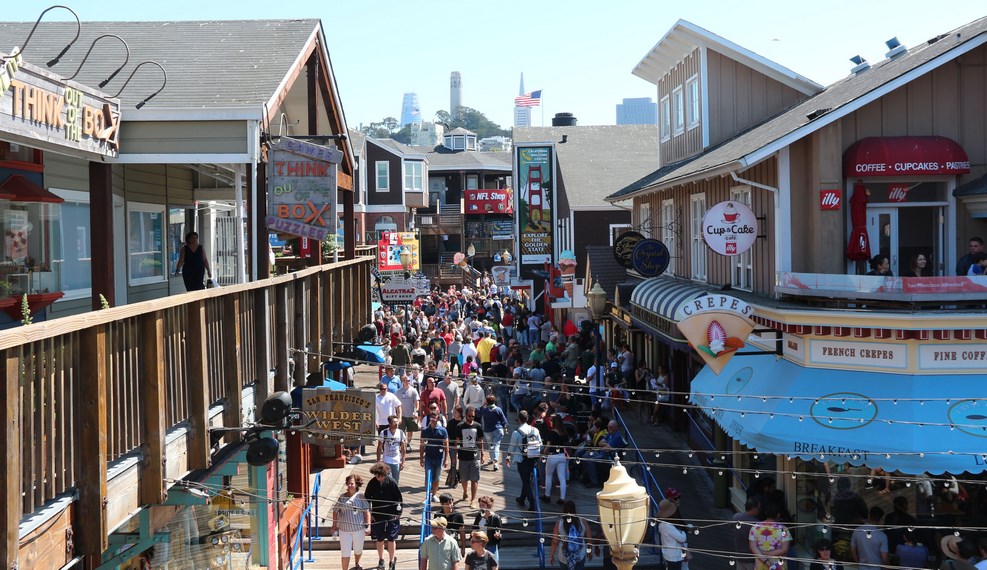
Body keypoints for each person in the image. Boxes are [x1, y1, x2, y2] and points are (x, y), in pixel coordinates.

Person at [364, 462, 403, 570]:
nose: (379, 478)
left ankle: (391, 561)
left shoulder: (392, 482)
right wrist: (370, 513)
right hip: (377, 515)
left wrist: (398, 514)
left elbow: (399, 499)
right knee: (379, 538)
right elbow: (367, 498)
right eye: (377, 476)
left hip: (391, 514)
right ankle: (381, 559)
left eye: (381, 476)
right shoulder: (372, 483)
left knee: (391, 538)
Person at [332, 474, 372, 570]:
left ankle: (357, 562)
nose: (350, 485)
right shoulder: (342, 497)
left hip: (358, 529)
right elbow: (335, 511)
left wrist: (368, 526)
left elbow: (367, 512)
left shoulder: (361, 496)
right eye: (348, 483)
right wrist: (334, 526)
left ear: (356, 484)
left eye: (352, 483)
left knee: (358, 549)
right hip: (344, 530)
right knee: (345, 552)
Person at [505, 409, 543, 510]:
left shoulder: (516, 433)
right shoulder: (535, 430)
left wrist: (508, 458)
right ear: (528, 418)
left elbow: (512, 447)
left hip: (522, 460)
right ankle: (522, 498)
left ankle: (532, 502)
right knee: (526, 480)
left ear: (519, 419)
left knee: (525, 481)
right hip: (533, 459)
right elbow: (541, 444)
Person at [452, 406, 484, 508]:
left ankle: (473, 499)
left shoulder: (478, 426)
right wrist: (454, 455)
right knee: (464, 479)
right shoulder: (459, 426)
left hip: (475, 456)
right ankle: (465, 491)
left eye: (473, 416)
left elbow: (480, 441)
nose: (471, 418)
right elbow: (457, 442)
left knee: (475, 479)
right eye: (469, 416)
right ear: (466, 415)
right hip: (463, 456)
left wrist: (482, 454)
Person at [549, 500, 593, 570]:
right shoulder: (582, 521)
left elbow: (554, 542)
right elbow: (589, 537)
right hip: (580, 554)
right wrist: (589, 551)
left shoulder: (559, 523)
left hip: (564, 557)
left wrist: (552, 555)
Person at [748, 502, 791, 570]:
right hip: (778, 566)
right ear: (778, 515)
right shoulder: (783, 529)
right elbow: (784, 550)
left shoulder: (755, 527)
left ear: (766, 513)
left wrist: (765, 560)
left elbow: (753, 548)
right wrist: (767, 553)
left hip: (761, 566)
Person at [420, 410, 450, 503]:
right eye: (431, 417)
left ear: (438, 419)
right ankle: (427, 496)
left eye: (435, 417)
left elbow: (446, 445)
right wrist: (421, 458)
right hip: (428, 457)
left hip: (439, 458)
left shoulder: (443, 430)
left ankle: (434, 494)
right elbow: (422, 445)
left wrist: (446, 459)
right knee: (428, 477)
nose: (433, 419)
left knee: (436, 478)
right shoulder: (425, 430)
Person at [543, 414, 570, 505]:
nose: (549, 421)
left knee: (548, 476)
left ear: (554, 422)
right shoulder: (564, 432)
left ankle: (547, 495)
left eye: (551, 420)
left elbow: (548, 446)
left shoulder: (552, 433)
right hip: (562, 456)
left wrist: (543, 453)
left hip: (552, 456)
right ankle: (562, 498)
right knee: (562, 478)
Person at [476, 394, 509, 471]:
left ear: (487, 402)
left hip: (488, 431)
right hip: (498, 430)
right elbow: (503, 420)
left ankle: (492, 459)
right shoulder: (498, 409)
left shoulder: (484, 410)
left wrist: (483, 405)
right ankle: (495, 462)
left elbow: (477, 413)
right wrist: (505, 428)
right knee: (496, 445)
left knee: (490, 445)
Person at [657, 499, 689, 570]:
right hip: (674, 556)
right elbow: (682, 538)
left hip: (667, 554)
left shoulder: (661, 525)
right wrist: (682, 531)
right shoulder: (668, 526)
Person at [471, 496, 503, 563]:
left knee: (493, 563)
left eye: (483, 505)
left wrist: (498, 536)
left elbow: (499, 532)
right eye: (480, 505)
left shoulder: (496, 518)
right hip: (480, 543)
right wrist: (473, 532)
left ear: (488, 506)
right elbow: (475, 528)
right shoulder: (479, 516)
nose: (481, 507)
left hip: (491, 544)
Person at [732, 496, 761, 570]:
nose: (759, 511)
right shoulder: (756, 524)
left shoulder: (736, 517)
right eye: (758, 508)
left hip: (739, 555)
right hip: (751, 559)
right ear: (753, 508)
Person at [376, 415, 407, 483]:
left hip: (396, 461)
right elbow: (379, 447)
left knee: (395, 481)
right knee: (387, 480)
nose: (396, 424)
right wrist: (378, 461)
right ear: (389, 424)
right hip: (386, 461)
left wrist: (403, 461)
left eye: (397, 422)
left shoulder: (401, 433)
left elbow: (403, 448)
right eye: (394, 422)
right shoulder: (384, 433)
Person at [437, 493, 467, 557]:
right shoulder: (438, 515)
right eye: (447, 504)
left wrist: (463, 548)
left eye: (451, 502)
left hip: (454, 543)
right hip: (442, 543)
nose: (450, 505)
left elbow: (462, 532)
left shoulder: (458, 515)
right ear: (442, 504)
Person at [396, 376, 421, 451]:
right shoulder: (398, 391)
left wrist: (416, 411)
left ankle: (408, 444)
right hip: (402, 415)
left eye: (409, 381)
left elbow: (417, 402)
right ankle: (402, 443)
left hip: (411, 415)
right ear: (402, 381)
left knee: (410, 430)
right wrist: (397, 414)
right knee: (401, 430)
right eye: (406, 381)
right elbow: (396, 403)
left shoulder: (413, 390)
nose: (407, 382)